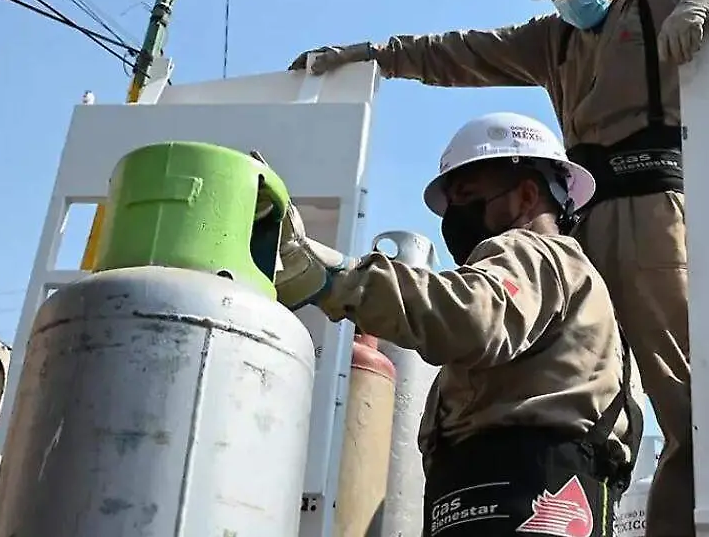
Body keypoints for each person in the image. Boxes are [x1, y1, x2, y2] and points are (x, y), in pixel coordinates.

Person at [287, 0, 709, 537]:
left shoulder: (657, 6)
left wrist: (708, 2)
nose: (570, 1)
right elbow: (460, 54)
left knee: (687, 413)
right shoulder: (554, 42)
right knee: (569, 379)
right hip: (580, 223)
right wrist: (373, 56)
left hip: (652, 215)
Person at [274, 112, 644, 537]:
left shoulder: (532, 251)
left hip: (527, 503)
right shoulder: (573, 290)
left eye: (469, 195)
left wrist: (336, 278)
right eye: (451, 204)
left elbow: (472, 317)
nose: (455, 216)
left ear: (526, 197)